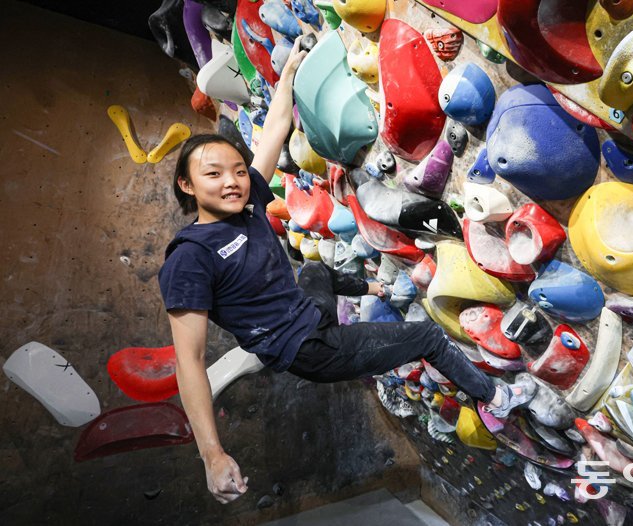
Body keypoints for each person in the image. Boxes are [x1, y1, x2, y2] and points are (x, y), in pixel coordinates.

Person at [158, 41, 531, 504]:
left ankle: (373, 285)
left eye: (236, 170)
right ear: (186, 185)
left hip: (306, 313)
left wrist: (291, 69)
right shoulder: (188, 258)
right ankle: (495, 398)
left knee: (314, 272)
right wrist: (211, 454)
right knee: (429, 340)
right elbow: (189, 364)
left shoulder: (246, 201)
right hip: (311, 349)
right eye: (213, 174)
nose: (232, 180)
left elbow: (274, 127)